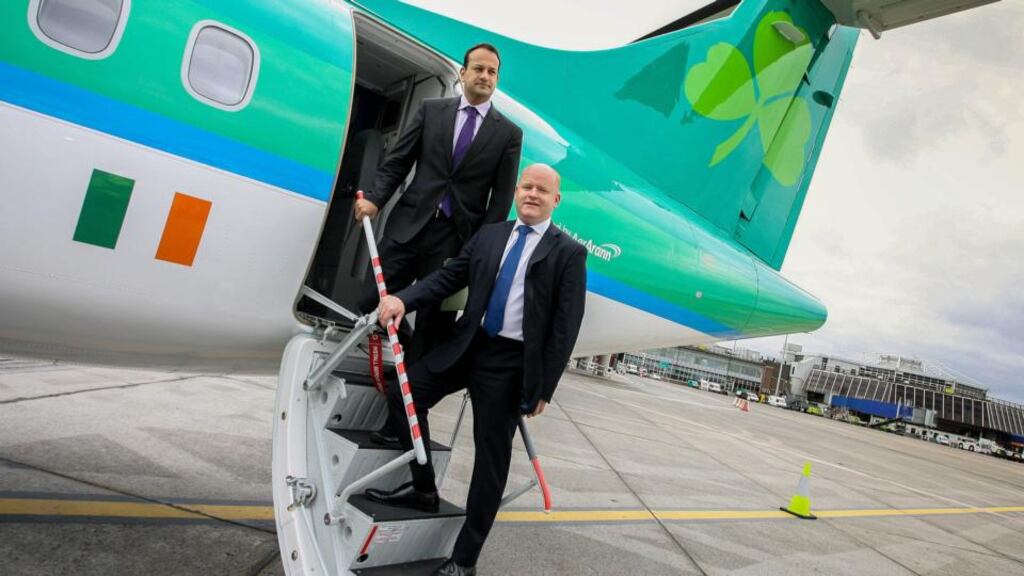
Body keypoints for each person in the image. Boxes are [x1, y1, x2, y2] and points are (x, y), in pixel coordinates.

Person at [366, 164, 587, 576]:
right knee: (404, 393)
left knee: (490, 462)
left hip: (511, 362)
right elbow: (448, 277)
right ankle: (424, 488)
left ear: (556, 200)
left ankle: (464, 560)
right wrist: (403, 300)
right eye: (527, 186)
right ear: (517, 190)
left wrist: (544, 388)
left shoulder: (568, 252)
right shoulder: (491, 236)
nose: (532, 194)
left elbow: (565, 327)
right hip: (469, 344)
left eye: (543, 190)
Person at [355, 42, 523, 365]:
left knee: (433, 328)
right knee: (370, 300)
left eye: (492, 72)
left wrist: (477, 252)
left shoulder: (509, 135)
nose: (485, 76)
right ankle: (384, 366)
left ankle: (411, 401)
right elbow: (398, 160)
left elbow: (500, 203)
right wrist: (375, 199)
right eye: (479, 69)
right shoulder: (432, 111)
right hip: (408, 227)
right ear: (463, 73)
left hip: (454, 243)